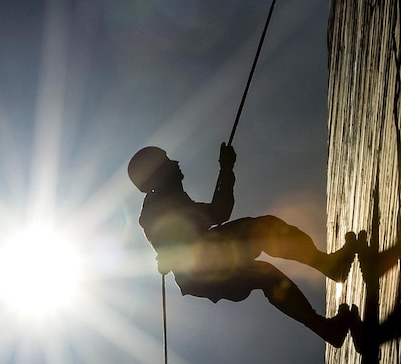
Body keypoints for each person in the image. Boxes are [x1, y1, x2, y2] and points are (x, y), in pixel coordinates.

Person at [129, 143, 363, 347]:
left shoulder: (172, 199)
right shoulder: (156, 209)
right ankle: (326, 310)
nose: (176, 162)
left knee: (264, 239)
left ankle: (329, 279)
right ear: (157, 174)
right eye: (167, 161)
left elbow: (218, 212)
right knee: (264, 266)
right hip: (201, 269)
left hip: (208, 258)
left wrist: (226, 169)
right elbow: (172, 237)